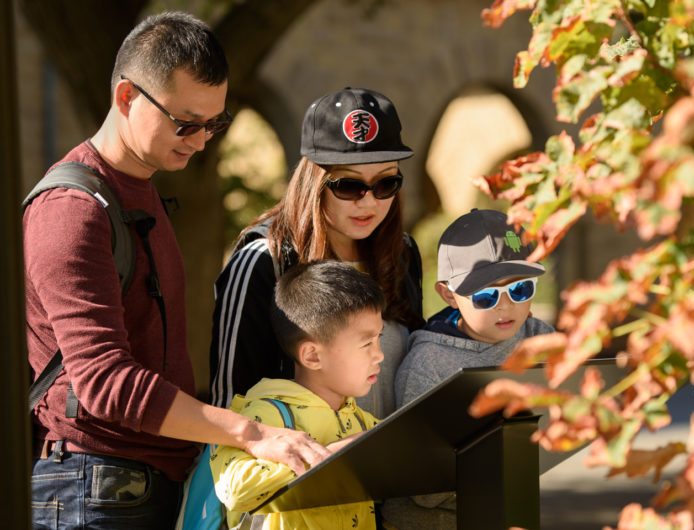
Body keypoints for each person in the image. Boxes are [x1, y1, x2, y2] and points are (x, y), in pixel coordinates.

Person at [24, 12, 327, 530]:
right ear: (126, 97)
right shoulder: (71, 209)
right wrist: (252, 433)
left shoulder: (142, 189)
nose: (202, 139)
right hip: (92, 488)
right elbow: (104, 382)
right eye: (185, 122)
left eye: (216, 123)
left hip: (141, 483)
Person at [210, 87, 424, 419]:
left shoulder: (402, 253)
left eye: (385, 185)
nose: (368, 202)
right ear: (314, 182)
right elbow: (231, 402)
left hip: (393, 464)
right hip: (302, 468)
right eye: (349, 186)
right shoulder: (264, 260)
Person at [384, 208, 555, 528]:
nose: (506, 306)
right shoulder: (427, 365)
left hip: (509, 510)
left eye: (520, 289)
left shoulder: (539, 338)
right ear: (449, 294)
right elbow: (423, 486)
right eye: (486, 296)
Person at [211, 260, 383, 529]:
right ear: (312, 355)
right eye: (367, 343)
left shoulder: (364, 422)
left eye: (379, 339)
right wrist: (337, 452)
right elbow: (235, 490)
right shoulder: (260, 417)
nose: (379, 354)